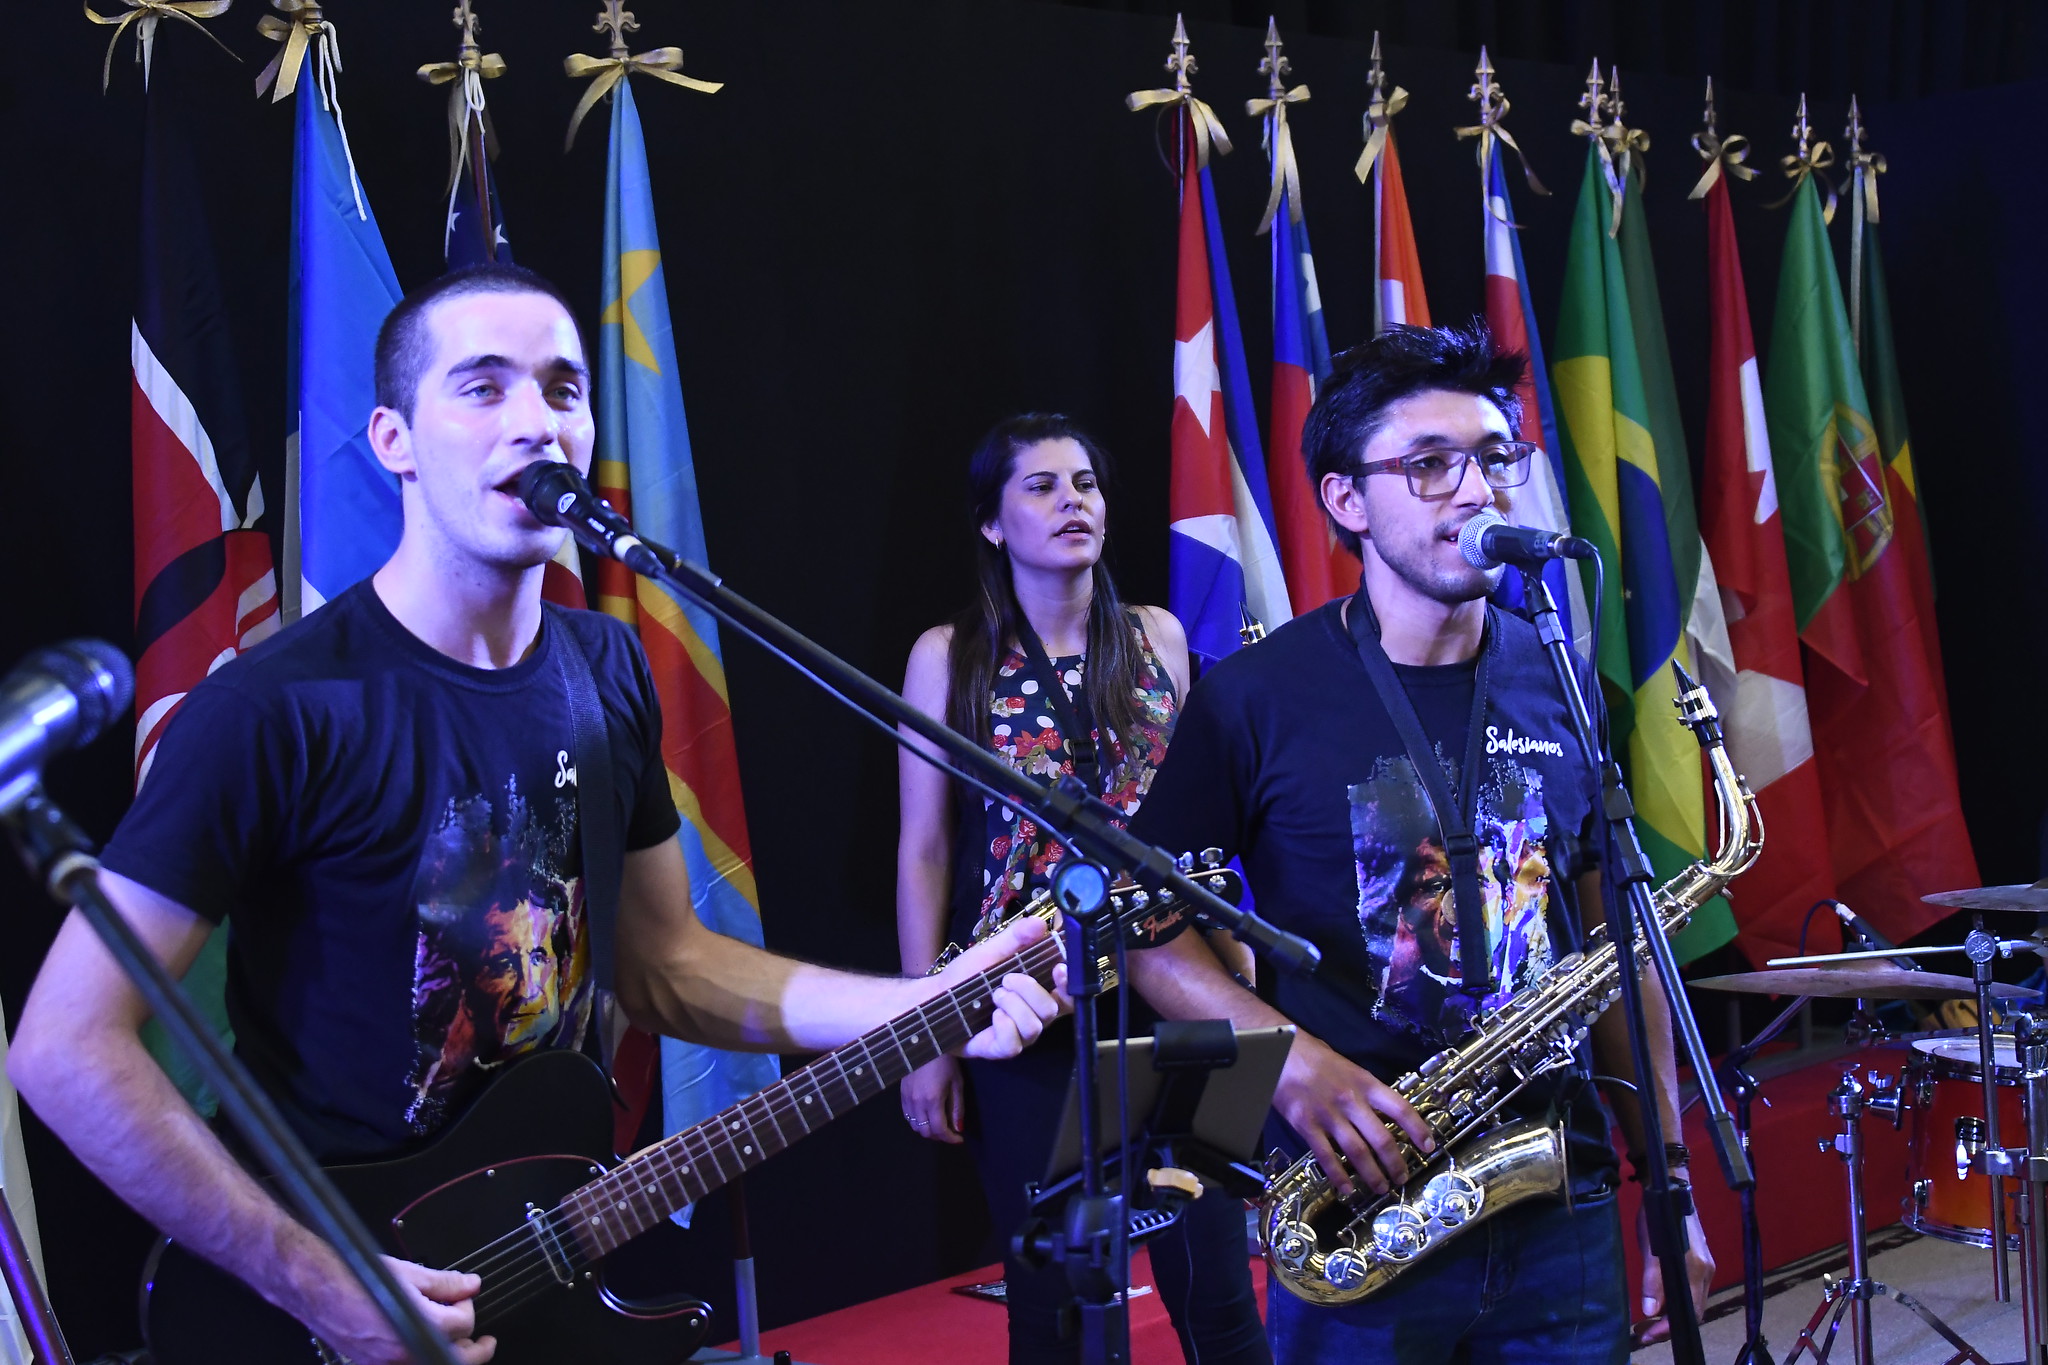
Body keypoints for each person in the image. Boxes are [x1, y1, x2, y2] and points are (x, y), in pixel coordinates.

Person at [7, 264, 1066, 1365]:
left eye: (564, 389)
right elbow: (66, 1047)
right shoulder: (278, 708)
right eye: (482, 386)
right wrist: (323, 1284)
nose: (536, 422)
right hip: (321, 1315)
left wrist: (926, 1005)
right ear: (392, 441)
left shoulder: (605, 669)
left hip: (524, 1283)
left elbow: (665, 967)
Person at [1125, 323, 1714, 1363]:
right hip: (1360, 1211)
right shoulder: (1255, 698)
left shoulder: (1559, 674)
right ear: (1346, 501)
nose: (1475, 490)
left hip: (1560, 1203)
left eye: (1493, 458)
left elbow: (1616, 955)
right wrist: (1287, 1064)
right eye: (1430, 464)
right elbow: (1141, 920)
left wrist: (1668, 1182)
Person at [894, 414, 1268, 1365]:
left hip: (1179, 993)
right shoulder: (949, 654)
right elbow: (925, 850)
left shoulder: (1159, 636)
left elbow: (1200, 820)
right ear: (991, 521)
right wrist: (923, 1034)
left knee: (1219, 1295)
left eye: (1086, 484)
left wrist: (1239, 957)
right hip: (1026, 1008)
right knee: (1054, 1312)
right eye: (1043, 486)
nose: (1074, 503)